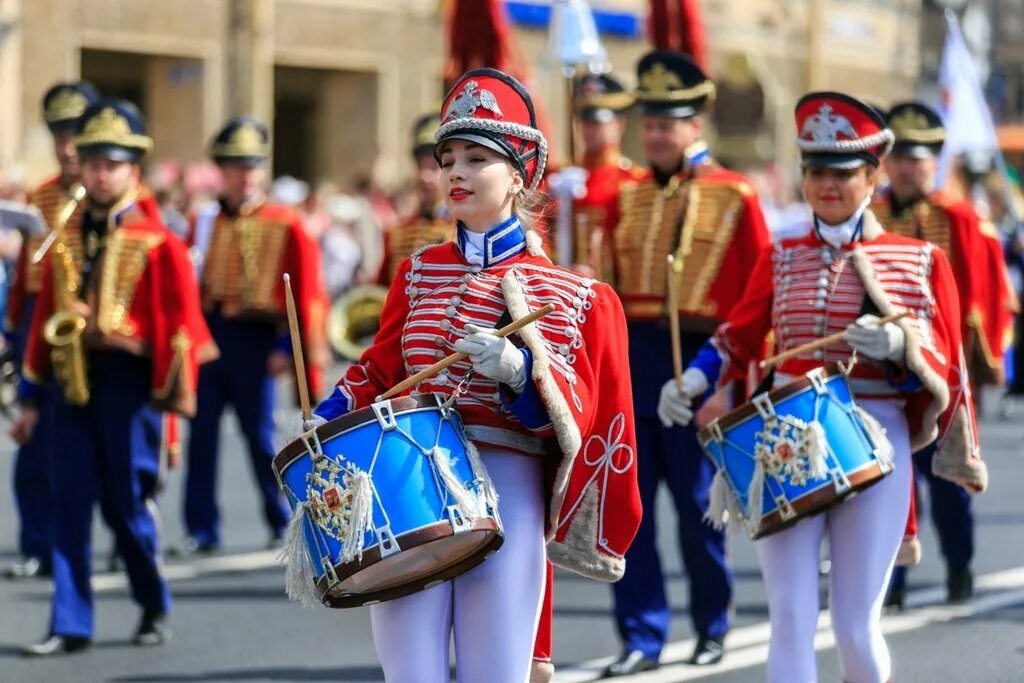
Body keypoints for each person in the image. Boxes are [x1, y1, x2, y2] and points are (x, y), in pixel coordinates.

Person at [296, 67, 641, 683]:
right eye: (447, 157)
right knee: (410, 673)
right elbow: (381, 367)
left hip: (507, 486)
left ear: (518, 176)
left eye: (476, 158)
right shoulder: (418, 272)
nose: (454, 172)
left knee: (493, 674)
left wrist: (520, 371)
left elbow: (578, 417)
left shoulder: (568, 293)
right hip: (406, 485)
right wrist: (324, 418)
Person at [658, 91, 988, 683]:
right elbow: (738, 333)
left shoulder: (917, 259)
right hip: (783, 430)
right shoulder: (781, 255)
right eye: (815, 172)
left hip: (874, 437)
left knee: (855, 624)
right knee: (790, 616)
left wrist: (901, 346)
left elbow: (946, 358)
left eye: (841, 174)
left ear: (873, 176)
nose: (826, 186)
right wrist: (696, 376)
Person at [11, 98, 217, 655]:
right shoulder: (66, 233)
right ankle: (70, 623)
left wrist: (170, 417)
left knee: (126, 506)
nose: (100, 173)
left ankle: (151, 602)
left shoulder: (160, 242)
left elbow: (183, 333)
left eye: (113, 163)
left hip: (131, 390)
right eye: (93, 161)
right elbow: (39, 323)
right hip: (69, 383)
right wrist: (29, 396)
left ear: (134, 170)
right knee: (68, 502)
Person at [602, 51, 771, 676]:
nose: (656, 134)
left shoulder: (736, 195)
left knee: (700, 513)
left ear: (695, 124)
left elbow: (758, 300)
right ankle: (641, 637)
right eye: (649, 123)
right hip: (636, 363)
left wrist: (728, 387)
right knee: (631, 512)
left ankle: (712, 627)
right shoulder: (627, 196)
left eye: (668, 123)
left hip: (701, 362)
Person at [873, 101, 1016, 608]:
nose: (908, 168)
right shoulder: (868, 215)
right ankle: (893, 583)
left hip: (943, 371)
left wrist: (977, 366)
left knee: (948, 477)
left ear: (935, 162)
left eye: (919, 158)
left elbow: (984, 294)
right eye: (900, 158)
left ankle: (959, 565)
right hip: (881, 367)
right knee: (887, 479)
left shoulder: (960, 218)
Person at [175, 116, 328, 555]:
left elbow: (306, 292)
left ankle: (280, 518)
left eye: (252, 166)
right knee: (201, 435)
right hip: (212, 335)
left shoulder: (287, 222)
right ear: (221, 171)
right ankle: (201, 527)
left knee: (260, 435)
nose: (246, 175)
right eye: (236, 166)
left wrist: (287, 346)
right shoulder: (203, 221)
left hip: (258, 339)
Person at [3, 81, 99, 580]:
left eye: (75, 133)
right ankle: (39, 545)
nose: (66, 146)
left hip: (96, 330)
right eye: (59, 134)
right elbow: (28, 272)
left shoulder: (110, 193)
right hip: (42, 327)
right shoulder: (41, 195)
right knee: (33, 445)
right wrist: (13, 326)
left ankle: (124, 542)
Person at [565, 72, 643, 278]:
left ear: (620, 124)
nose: (589, 129)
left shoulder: (634, 181)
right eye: (585, 121)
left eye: (599, 122)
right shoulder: (560, 177)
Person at [376, 113, 453, 286]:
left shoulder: (464, 230)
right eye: (421, 166)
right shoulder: (396, 232)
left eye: (434, 167)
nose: (425, 176)